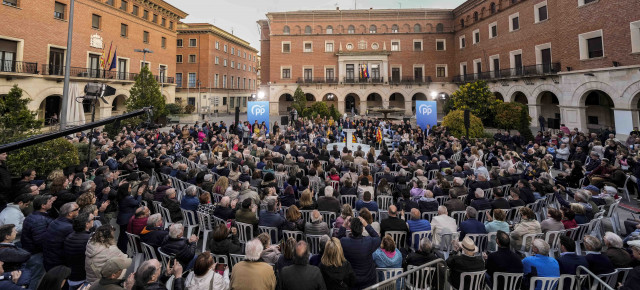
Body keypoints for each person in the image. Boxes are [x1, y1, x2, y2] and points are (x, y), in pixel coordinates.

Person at [21, 194, 54, 289]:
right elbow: (40, 240)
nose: (51, 202)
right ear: (43, 206)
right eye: (49, 202)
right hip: (36, 255)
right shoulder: (39, 220)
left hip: (31, 252)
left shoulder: (32, 216)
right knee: (35, 278)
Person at [338, 216, 380, 289]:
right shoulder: (369, 241)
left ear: (350, 229)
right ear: (362, 229)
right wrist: (366, 225)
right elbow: (377, 238)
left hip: (353, 282)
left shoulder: (344, 242)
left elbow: (338, 240)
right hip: (368, 281)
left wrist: (344, 225)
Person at [43, 202, 78, 271]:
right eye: (77, 209)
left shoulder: (55, 222)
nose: (79, 210)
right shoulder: (69, 228)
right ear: (70, 213)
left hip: (50, 260)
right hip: (59, 263)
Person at [63, 212, 94, 289]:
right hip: (82, 277)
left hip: (72, 275)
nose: (94, 220)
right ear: (87, 224)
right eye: (92, 219)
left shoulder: (69, 236)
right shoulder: (89, 239)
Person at [115, 183, 141, 252]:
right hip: (126, 219)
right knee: (124, 237)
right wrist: (139, 194)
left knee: (122, 236)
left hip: (122, 218)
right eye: (129, 187)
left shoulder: (122, 196)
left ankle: (120, 250)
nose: (130, 189)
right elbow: (137, 202)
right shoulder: (127, 198)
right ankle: (123, 251)